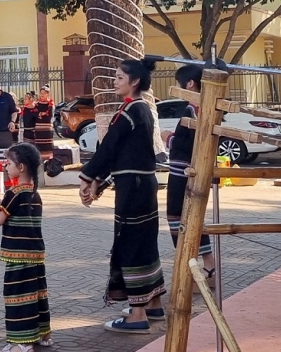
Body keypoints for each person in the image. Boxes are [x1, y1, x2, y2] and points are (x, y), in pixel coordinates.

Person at [79, 58, 166, 333]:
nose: (114, 82)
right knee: (143, 241)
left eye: (119, 77)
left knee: (131, 242)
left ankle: (137, 313)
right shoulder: (139, 110)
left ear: (134, 81)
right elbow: (123, 155)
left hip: (134, 188)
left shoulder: (132, 111)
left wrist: (87, 177)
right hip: (140, 184)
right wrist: (99, 181)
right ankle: (153, 303)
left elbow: (109, 148)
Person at [0, 142, 52, 352]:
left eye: (9, 163)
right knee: (36, 293)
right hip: (36, 255)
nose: (6, 167)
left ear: (21, 167)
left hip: (18, 256)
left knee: (17, 296)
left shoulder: (14, 192)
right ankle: (42, 334)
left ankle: (21, 344)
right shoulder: (35, 194)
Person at [163, 64, 215, 297]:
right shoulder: (207, 108)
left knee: (178, 218)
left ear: (190, 84)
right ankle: (208, 266)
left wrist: (169, 138)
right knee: (193, 217)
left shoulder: (191, 111)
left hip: (182, 173)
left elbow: (187, 145)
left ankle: (192, 269)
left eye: (179, 83)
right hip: (195, 171)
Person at [32, 87, 55, 161]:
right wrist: (43, 114)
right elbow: (34, 114)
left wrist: (40, 114)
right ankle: (40, 163)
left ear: (48, 94)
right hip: (39, 129)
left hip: (47, 129)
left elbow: (49, 116)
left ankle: (49, 163)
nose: (42, 95)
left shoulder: (50, 104)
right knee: (39, 146)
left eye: (44, 93)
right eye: (41, 93)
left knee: (47, 146)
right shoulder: (37, 104)